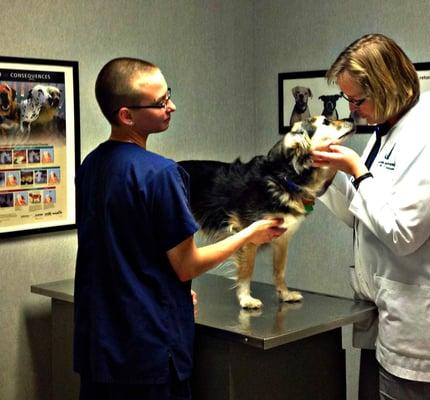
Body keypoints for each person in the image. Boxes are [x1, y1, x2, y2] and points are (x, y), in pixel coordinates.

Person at [74, 57, 286, 400]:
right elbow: (187, 264)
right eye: (160, 103)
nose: (171, 106)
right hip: (149, 353)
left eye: (167, 94)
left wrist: (171, 291)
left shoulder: (91, 166)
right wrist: (249, 234)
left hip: (100, 347)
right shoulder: (161, 174)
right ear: (127, 116)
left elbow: (120, 250)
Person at [312, 34, 430, 399]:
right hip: (384, 313)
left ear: (387, 86)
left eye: (358, 100)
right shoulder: (388, 130)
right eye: (347, 99)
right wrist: (330, 175)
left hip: (418, 323)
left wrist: (357, 168)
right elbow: (365, 217)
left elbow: (403, 233)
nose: (353, 109)